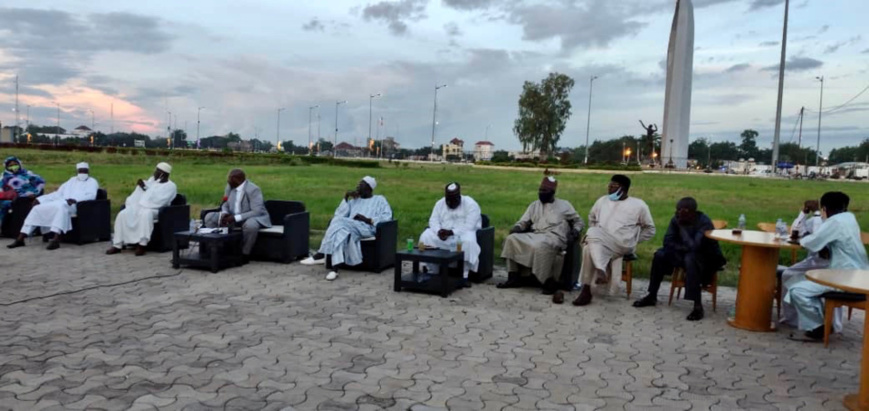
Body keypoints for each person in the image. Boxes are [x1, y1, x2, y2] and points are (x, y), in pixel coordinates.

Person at [784, 191, 869, 341]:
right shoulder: (849, 218)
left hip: (845, 278)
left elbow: (813, 241)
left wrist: (804, 239)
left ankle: (818, 328)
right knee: (802, 283)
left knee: (797, 290)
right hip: (859, 275)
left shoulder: (834, 222)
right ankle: (822, 323)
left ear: (824, 208)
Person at [632, 197, 725, 321]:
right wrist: (683, 247)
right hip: (683, 252)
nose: (679, 213)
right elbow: (667, 241)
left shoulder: (704, 222)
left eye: (683, 210)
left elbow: (695, 246)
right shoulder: (676, 218)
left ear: (692, 212)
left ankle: (697, 306)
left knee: (691, 260)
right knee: (660, 255)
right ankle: (652, 295)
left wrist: (682, 228)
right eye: (678, 209)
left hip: (706, 258)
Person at [497, 176, 584, 303]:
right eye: (540, 190)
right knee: (511, 239)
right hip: (536, 235)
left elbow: (578, 221)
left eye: (544, 191)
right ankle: (513, 277)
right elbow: (523, 221)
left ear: (552, 192)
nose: (541, 193)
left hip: (554, 237)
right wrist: (517, 228)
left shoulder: (564, 205)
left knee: (541, 246)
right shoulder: (534, 205)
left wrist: (575, 231)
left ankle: (547, 281)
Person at [573, 175, 655, 306]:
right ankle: (587, 288)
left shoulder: (639, 205)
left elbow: (650, 229)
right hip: (601, 242)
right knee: (589, 246)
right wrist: (597, 237)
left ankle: (595, 277)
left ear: (623, 189)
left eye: (614, 186)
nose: (609, 188)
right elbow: (592, 218)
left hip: (622, 243)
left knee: (591, 234)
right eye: (609, 185)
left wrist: (634, 240)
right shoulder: (602, 201)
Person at [301, 176, 392, 281]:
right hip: (349, 227)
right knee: (340, 233)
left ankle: (321, 253)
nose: (357, 187)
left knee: (338, 221)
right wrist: (346, 197)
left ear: (369, 187)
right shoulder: (354, 201)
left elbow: (387, 217)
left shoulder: (379, 200)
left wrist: (366, 219)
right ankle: (334, 270)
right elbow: (339, 214)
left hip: (367, 228)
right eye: (358, 184)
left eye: (361, 185)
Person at [7, 162, 99, 250]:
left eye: (84, 171)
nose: (82, 173)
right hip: (61, 201)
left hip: (77, 205)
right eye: (81, 171)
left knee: (61, 207)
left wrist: (75, 200)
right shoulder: (71, 180)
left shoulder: (92, 182)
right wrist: (40, 199)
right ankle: (21, 239)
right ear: (77, 171)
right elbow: (58, 194)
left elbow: (91, 195)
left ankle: (56, 239)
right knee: (37, 208)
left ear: (88, 171)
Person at [417, 182, 482, 288]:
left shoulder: (471, 204)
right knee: (425, 236)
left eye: (454, 199)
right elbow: (433, 220)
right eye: (448, 200)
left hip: (462, 234)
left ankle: (464, 276)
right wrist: (439, 231)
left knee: (469, 242)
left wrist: (451, 232)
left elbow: (469, 226)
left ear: (459, 196)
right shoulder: (440, 203)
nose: (451, 202)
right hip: (443, 234)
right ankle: (431, 271)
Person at [106, 163, 177, 256]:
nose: (154, 173)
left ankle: (142, 245)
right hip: (142, 206)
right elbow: (144, 194)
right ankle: (117, 245)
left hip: (157, 210)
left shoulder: (171, 186)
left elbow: (159, 200)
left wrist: (145, 189)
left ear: (163, 174)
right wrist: (141, 187)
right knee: (123, 214)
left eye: (157, 171)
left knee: (146, 214)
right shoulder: (152, 181)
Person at [779, 200, 829, 328]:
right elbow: (796, 230)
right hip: (814, 261)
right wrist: (804, 213)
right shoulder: (817, 219)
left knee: (792, 277)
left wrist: (816, 212)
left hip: (830, 265)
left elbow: (818, 238)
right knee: (788, 274)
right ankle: (792, 317)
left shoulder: (833, 223)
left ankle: (811, 319)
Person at [203, 169, 271, 259]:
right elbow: (225, 203)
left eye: (230, 178)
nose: (228, 180)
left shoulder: (253, 189)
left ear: (238, 179)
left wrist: (235, 218)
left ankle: (245, 253)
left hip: (251, 217)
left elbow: (257, 211)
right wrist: (225, 213)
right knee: (209, 217)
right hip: (232, 216)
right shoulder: (229, 187)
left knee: (251, 225)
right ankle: (216, 249)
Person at [1, 156, 46, 225]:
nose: (13, 167)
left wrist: (35, 193)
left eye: (15, 164)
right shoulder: (4, 178)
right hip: (14, 199)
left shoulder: (28, 174)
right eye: (10, 165)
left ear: (19, 164)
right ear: (6, 167)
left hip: (31, 197)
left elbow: (40, 182)